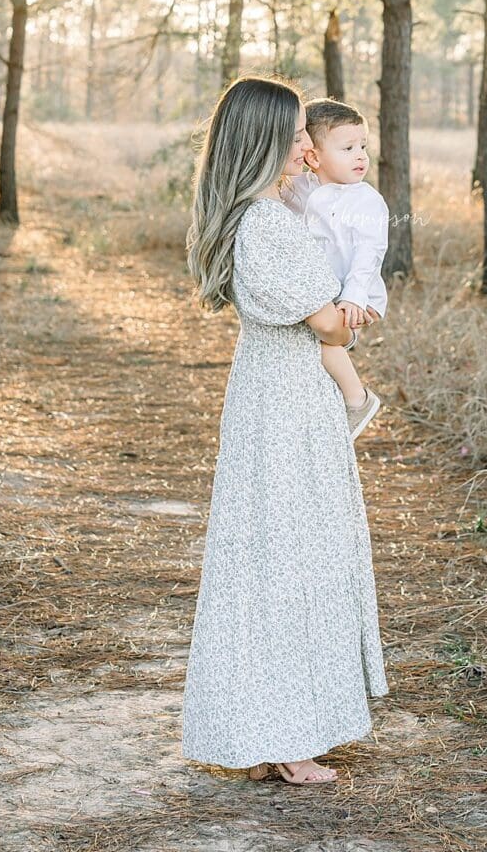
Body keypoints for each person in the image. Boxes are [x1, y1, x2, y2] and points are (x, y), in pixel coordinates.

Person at [181, 76, 388, 786]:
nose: (308, 143)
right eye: (298, 132)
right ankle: (283, 733)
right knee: (286, 561)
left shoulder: (272, 212)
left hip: (281, 398)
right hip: (283, 407)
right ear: (266, 139)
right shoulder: (266, 223)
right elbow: (328, 321)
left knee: (282, 557)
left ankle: (283, 725)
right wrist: (343, 311)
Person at [282, 98, 387, 440]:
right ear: (313, 157)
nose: (361, 156)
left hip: (357, 293)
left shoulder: (365, 200)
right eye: (348, 148)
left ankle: (358, 398)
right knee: (307, 334)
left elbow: (369, 254)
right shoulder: (301, 188)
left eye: (363, 146)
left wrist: (355, 297)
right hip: (327, 290)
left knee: (324, 335)